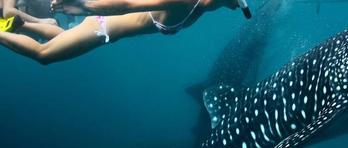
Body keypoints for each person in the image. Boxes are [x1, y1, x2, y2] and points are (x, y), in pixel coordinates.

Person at [0, 0, 240, 65]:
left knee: (57, 34)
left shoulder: (204, 7)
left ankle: (21, 27)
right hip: (101, 27)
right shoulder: (185, 2)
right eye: (233, 1)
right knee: (45, 55)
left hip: (104, 28)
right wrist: (82, 5)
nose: (235, 6)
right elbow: (127, 4)